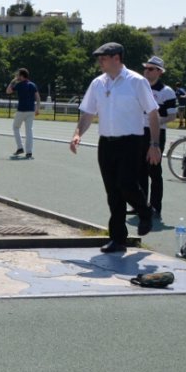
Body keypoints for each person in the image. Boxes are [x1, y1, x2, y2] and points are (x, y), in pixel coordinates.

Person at [69, 42, 162, 253]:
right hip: (106, 143)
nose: (100, 62)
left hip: (131, 141)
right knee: (113, 192)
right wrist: (77, 133)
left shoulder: (136, 81)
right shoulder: (98, 84)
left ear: (117, 58)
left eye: (104, 58)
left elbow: (153, 113)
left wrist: (154, 144)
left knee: (126, 184)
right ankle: (118, 239)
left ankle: (145, 211)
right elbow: (88, 113)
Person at [139, 56, 178, 218]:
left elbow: (172, 115)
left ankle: (155, 207)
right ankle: (140, 204)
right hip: (138, 131)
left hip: (156, 132)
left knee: (154, 171)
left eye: (150, 69)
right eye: (145, 68)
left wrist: (156, 120)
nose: (146, 72)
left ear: (159, 72)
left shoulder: (166, 91)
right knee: (139, 170)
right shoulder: (139, 87)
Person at [7, 68, 40, 159]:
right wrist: (37, 108)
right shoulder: (33, 85)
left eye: (18, 75)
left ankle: (20, 147)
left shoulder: (19, 85)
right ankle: (29, 152)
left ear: (21, 76)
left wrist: (13, 81)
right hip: (31, 110)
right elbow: (37, 97)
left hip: (21, 110)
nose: (17, 76)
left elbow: (8, 91)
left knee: (15, 127)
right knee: (29, 131)